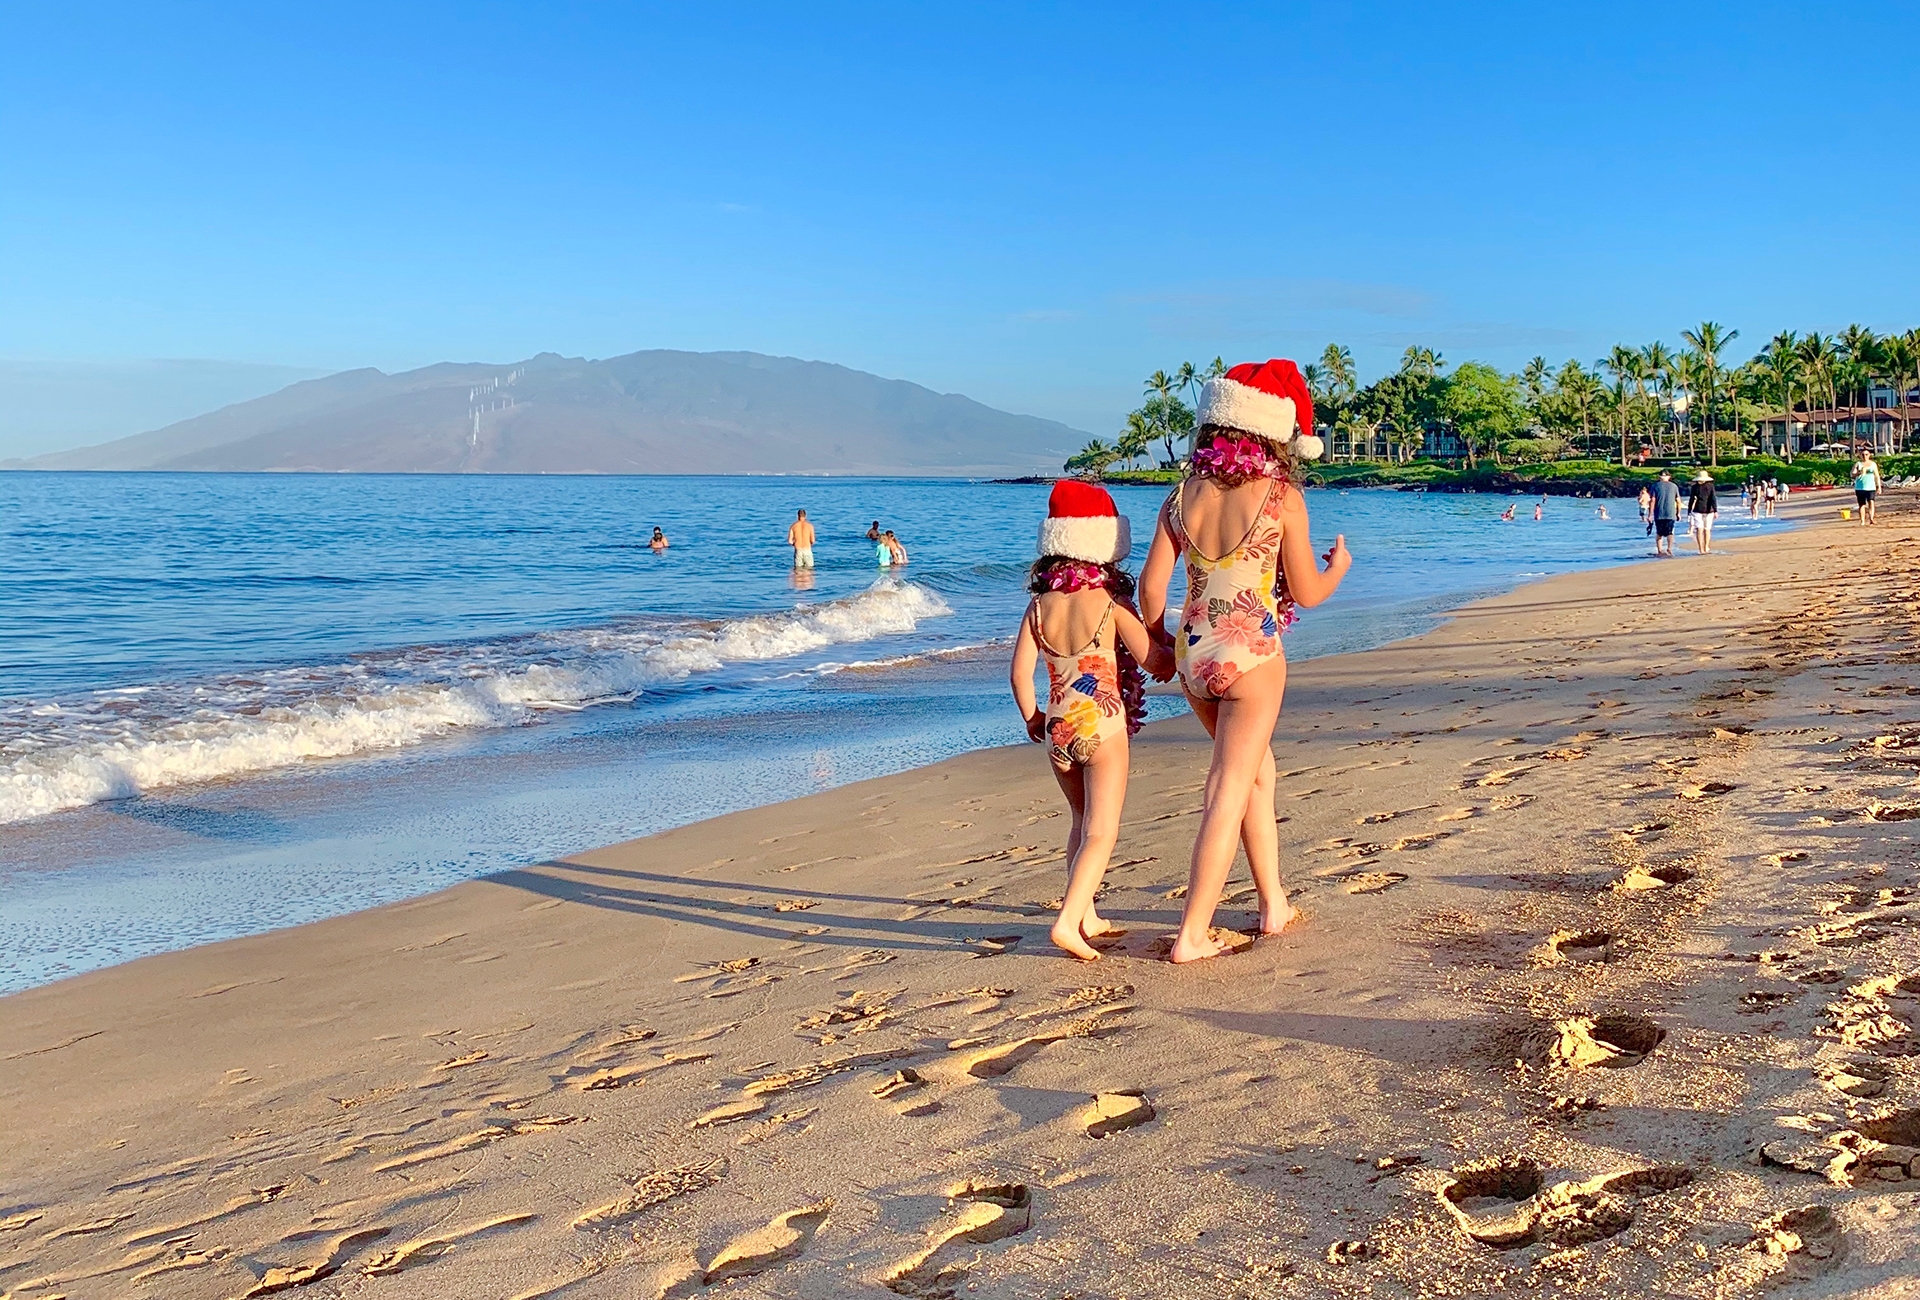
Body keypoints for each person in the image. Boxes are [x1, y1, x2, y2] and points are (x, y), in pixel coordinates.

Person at [1140, 359, 1351, 964]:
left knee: (1257, 773)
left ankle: (1273, 903)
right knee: (1228, 785)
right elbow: (1306, 592)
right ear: (1273, 433)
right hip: (1253, 656)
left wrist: (1157, 644)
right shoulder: (1282, 497)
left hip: (1194, 654)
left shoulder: (1181, 498)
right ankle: (1193, 932)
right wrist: (1339, 566)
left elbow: (1152, 592)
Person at [1010, 481, 1173, 961]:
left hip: (1057, 728)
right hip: (1102, 728)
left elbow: (1019, 674)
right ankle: (1066, 921)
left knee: (1081, 821)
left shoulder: (1039, 607)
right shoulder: (1109, 604)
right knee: (1103, 830)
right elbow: (1153, 662)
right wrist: (1178, 648)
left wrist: (1032, 716)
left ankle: (1087, 914)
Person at [1650, 470, 1680, 556]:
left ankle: (1660, 550)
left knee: (1659, 533)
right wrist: (1678, 513)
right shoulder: (1674, 486)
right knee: (1670, 532)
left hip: (1659, 513)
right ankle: (1669, 548)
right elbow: (1678, 500)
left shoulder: (1655, 486)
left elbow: (1653, 500)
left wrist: (1650, 514)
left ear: (1659, 477)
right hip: (1671, 513)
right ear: (1669, 477)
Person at [1686, 471, 1718, 555]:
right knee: (1703, 529)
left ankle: (1704, 548)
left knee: (1703, 529)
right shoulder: (1707, 486)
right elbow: (1692, 499)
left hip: (1703, 510)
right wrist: (1715, 510)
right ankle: (1703, 548)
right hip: (1703, 510)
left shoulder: (1697, 487)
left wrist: (1715, 510)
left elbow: (1712, 498)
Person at [1852, 453, 1880, 525]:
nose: (1865, 456)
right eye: (1863, 454)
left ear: (1869, 455)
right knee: (1862, 505)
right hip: (1860, 487)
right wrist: (1858, 473)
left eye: (1866, 454)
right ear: (1861, 455)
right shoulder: (1858, 464)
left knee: (1871, 502)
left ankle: (1871, 519)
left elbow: (1877, 475)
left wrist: (1879, 486)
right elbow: (1852, 474)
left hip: (1871, 487)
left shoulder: (1873, 464)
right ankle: (1862, 521)